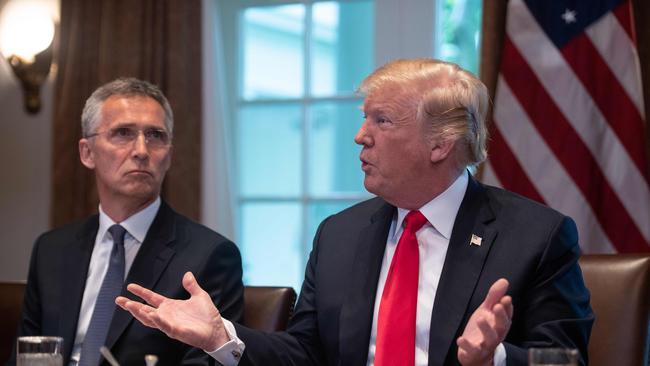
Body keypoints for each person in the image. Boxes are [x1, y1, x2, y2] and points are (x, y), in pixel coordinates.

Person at [117, 59, 594, 366]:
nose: (359, 135)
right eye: (364, 118)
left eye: (381, 121)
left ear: (441, 143)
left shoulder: (536, 236)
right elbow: (304, 354)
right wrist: (221, 335)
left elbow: (567, 358)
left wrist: (495, 359)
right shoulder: (339, 234)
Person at [7, 78, 244, 366]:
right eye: (123, 133)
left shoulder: (210, 256)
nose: (142, 150)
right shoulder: (52, 249)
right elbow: (28, 356)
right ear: (87, 152)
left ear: (169, 155)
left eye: (155, 135)